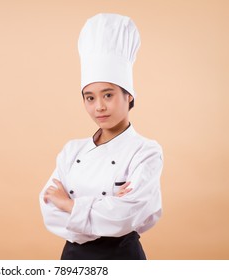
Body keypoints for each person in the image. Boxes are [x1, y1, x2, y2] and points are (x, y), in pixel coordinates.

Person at [39, 13, 163, 260]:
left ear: (128, 95)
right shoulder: (71, 151)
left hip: (122, 257)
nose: (99, 107)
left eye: (108, 95)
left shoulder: (146, 151)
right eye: (90, 97)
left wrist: (70, 205)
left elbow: (126, 217)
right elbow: (48, 211)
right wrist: (104, 214)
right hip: (73, 257)